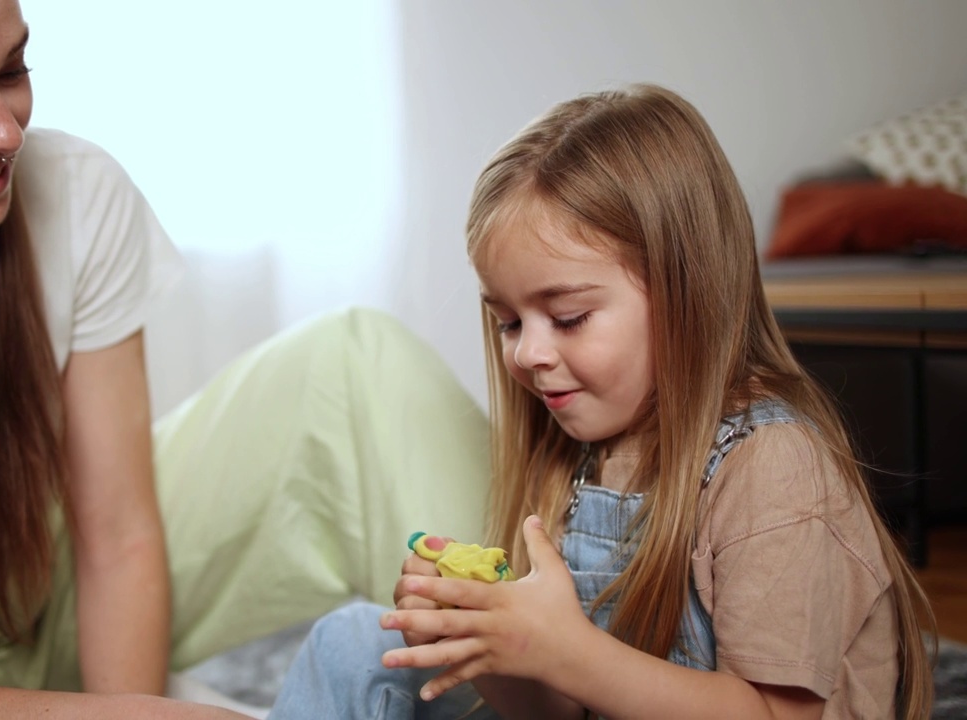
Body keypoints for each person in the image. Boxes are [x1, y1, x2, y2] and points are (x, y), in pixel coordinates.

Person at [0, 0, 493, 717]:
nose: (3, 131)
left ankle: (550, 662)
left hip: (42, 597)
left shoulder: (74, 189)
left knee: (357, 361)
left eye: (12, 69)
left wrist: (127, 708)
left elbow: (117, 536)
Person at [268, 83, 937, 720]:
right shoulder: (582, 453)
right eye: (508, 321)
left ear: (686, 293)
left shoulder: (775, 469)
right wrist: (493, 641)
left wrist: (569, 652)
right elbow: (559, 709)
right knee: (352, 642)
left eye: (567, 318)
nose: (527, 353)